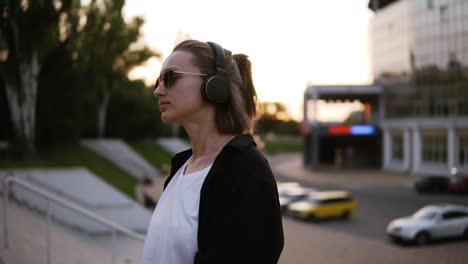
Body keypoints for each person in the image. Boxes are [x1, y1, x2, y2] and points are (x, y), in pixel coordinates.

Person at [141, 40, 284, 264]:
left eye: (170, 78)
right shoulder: (181, 167)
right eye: (160, 81)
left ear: (214, 85)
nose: (158, 91)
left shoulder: (246, 171)